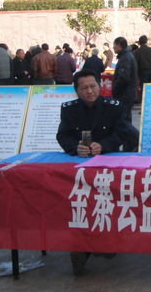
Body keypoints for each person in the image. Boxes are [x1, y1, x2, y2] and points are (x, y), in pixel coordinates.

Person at [56, 68, 130, 276]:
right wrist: (75, 148)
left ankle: (105, 243)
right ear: (76, 91)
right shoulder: (69, 110)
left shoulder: (113, 107)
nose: (89, 91)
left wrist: (104, 146)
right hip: (80, 167)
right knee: (81, 203)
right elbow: (62, 135)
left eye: (93, 86)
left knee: (108, 203)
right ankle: (82, 248)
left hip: (108, 165)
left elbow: (123, 133)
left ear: (99, 86)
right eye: (84, 88)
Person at [112, 36, 140, 151]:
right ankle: (129, 146)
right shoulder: (127, 56)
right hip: (128, 94)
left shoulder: (126, 58)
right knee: (126, 121)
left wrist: (114, 88)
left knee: (122, 122)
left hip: (124, 95)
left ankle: (138, 139)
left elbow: (123, 78)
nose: (113, 48)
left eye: (114, 45)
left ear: (119, 45)